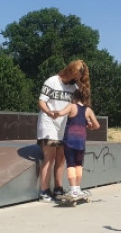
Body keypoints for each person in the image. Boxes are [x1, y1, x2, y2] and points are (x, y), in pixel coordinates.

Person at [36, 60, 90, 202]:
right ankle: (44, 191)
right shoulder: (52, 81)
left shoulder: (74, 88)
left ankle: (58, 188)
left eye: (79, 76)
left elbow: (79, 107)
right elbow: (41, 101)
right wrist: (49, 112)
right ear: (70, 71)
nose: (77, 78)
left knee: (61, 158)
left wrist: (87, 120)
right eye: (76, 75)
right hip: (49, 122)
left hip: (65, 125)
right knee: (50, 157)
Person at [53, 87, 100, 198]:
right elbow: (97, 125)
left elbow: (60, 113)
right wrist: (89, 127)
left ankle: (73, 190)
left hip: (69, 140)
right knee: (79, 164)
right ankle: (78, 189)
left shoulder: (72, 106)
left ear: (74, 97)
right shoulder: (88, 110)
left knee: (70, 164)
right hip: (81, 141)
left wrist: (53, 113)